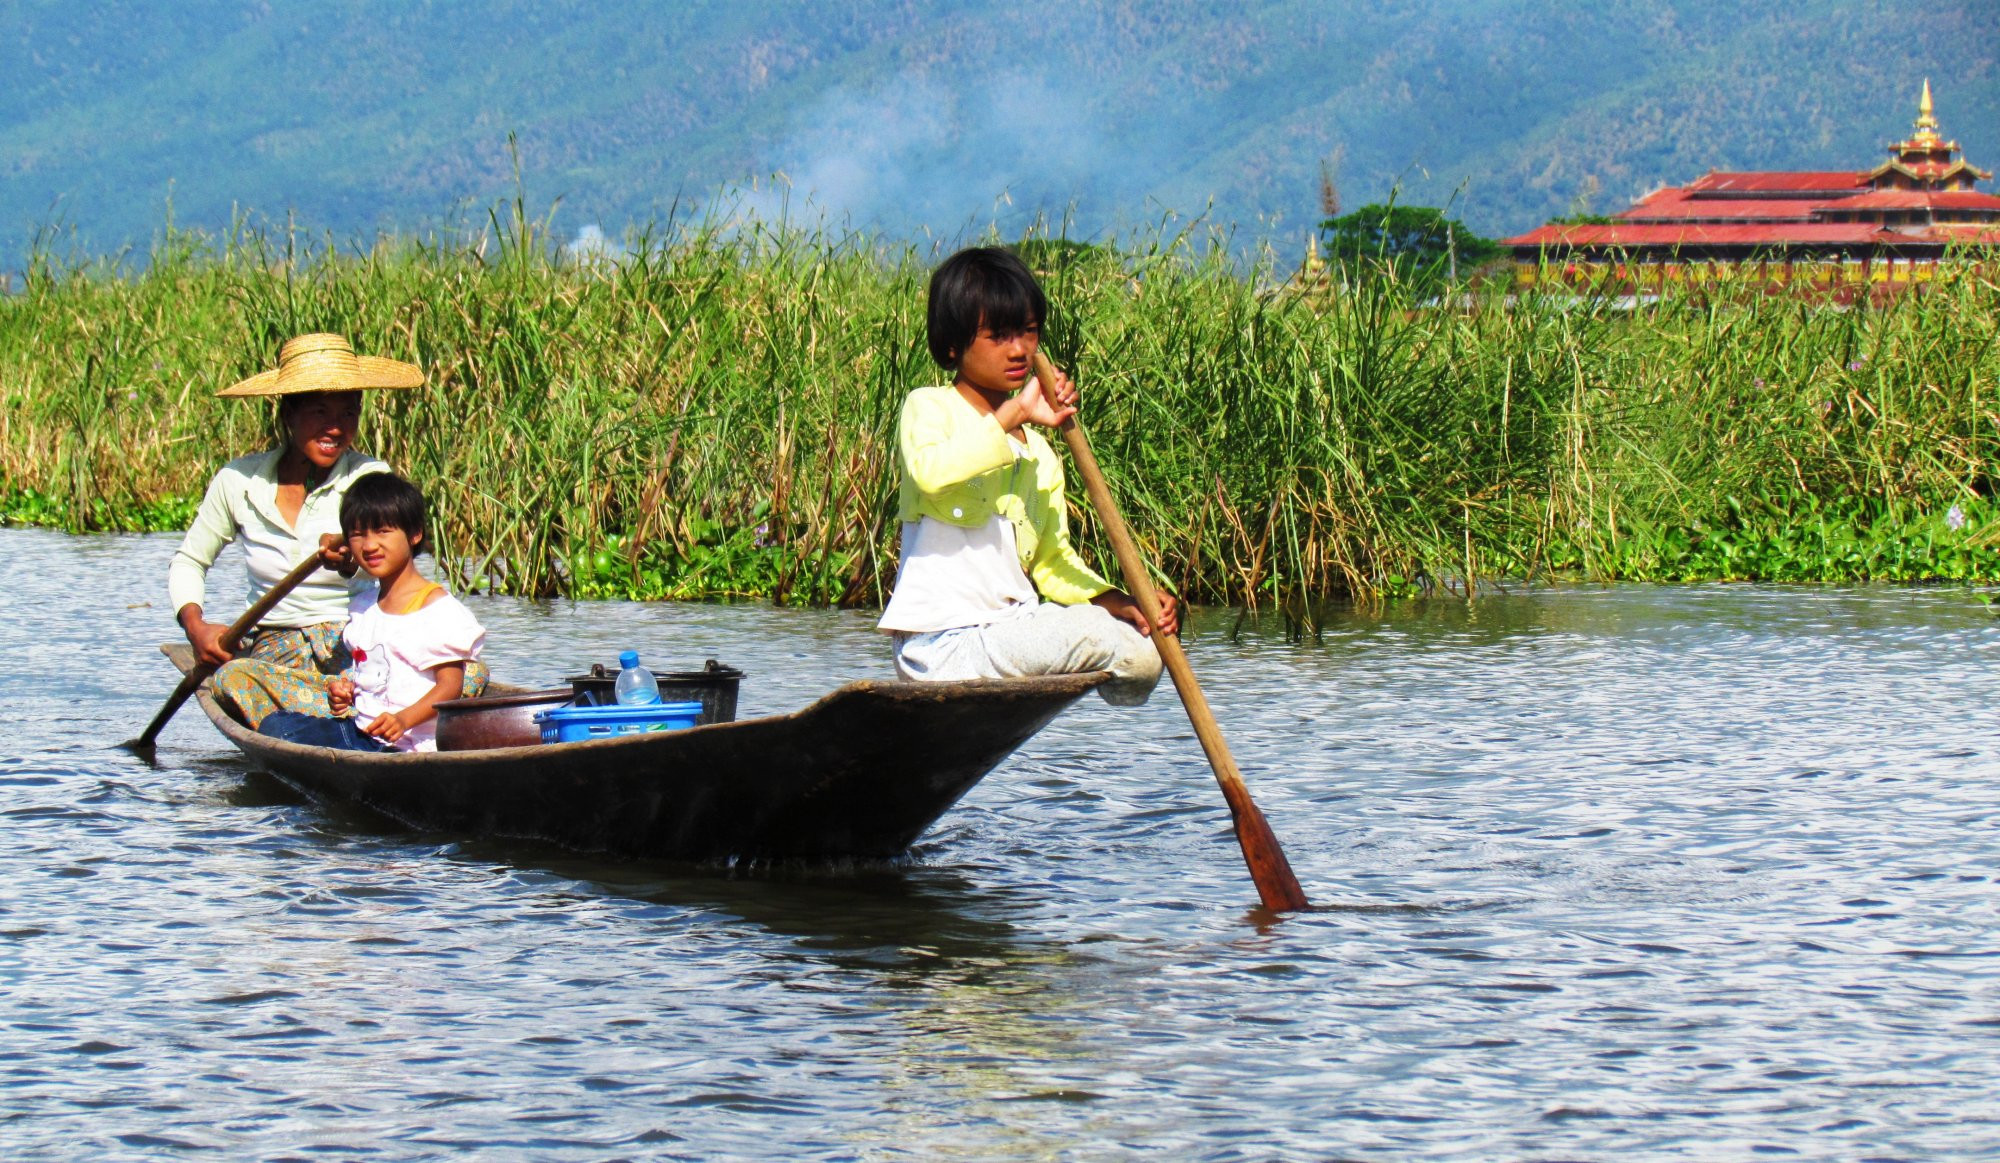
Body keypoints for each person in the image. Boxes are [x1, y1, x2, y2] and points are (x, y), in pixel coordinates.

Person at [877, 246, 1177, 705]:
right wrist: (1012, 413)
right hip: (941, 647)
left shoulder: (1038, 455)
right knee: (1100, 636)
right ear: (954, 344)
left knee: (1143, 647)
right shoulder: (929, 407)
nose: (1019, 350)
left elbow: (1053, 564)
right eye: (998, 335)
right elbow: (932, 474)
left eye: (1028, 332)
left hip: (1010, 635)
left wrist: (1122, 602)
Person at [170, 332, 485, 725]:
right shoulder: (239, 480)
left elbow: (385, 557)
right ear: (288, 415)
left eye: (348, 414)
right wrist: (196, 627)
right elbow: (189, 561)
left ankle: (352, 709)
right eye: (320, 413)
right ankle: (358, 713)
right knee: (233, 679)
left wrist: (349, 562)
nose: (335, 428)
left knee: (471, 675)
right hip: (276, 646)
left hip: (358, 642)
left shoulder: (369, 477)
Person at [253, 472, 486, 753]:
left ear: (415, 534)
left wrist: (404, 719)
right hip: (363, 734)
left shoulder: (437, 610)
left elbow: (451, 687)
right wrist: (346, 692)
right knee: (276, 726)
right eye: (358, 534)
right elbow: (372, 674)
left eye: (383, 532)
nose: (370, 545)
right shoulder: (364, 607)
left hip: (412, 746)